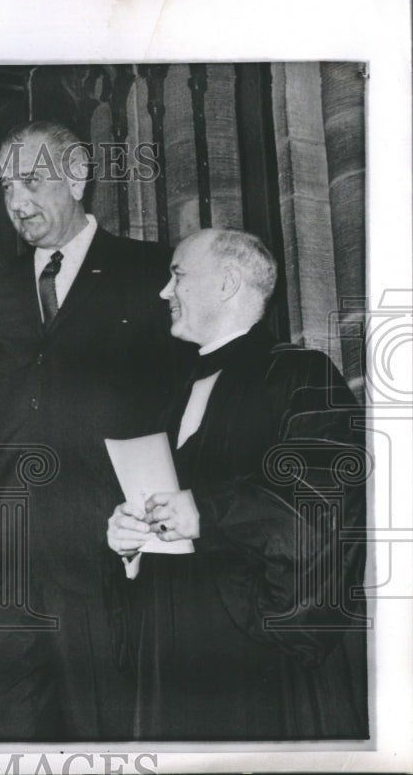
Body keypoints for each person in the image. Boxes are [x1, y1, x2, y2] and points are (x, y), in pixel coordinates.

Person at [106, 228, 368, 740]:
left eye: (177, 275)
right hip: (169, 645)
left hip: (253, 651)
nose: (165, 292)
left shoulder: (303, 375)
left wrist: (205, 511)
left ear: (226, 283)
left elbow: (326, 505)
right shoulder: (170, 394)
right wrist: (130, 540)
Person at [0, 120, 176, 740]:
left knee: (104, 733)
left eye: (30, 181)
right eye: (6, 189)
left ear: (77, 173)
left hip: (104, 558)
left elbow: (173, 408)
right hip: (2, 566)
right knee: (3, 740)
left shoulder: (149, 272)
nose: (17, 203)